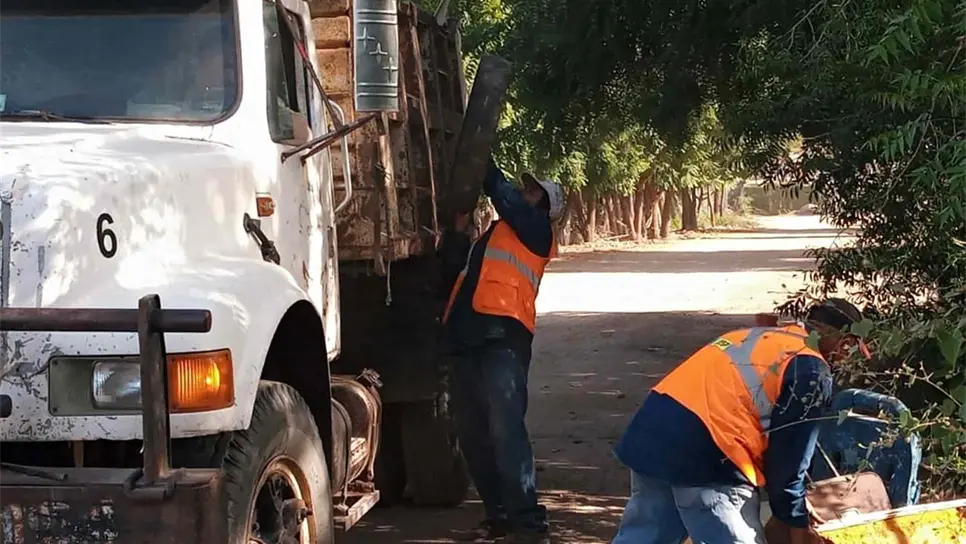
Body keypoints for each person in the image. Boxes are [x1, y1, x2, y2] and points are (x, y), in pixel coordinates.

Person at [610, 298, 869, 544]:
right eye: (851, 350)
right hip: (710, 454)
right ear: (844, 342)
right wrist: (796, 523)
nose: (846, 358)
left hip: (653, 434)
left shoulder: (756, 336)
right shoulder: (810, 370)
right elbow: (788, 464)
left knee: (644, 536)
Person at [439, 158, 565, 543]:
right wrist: (459, 236)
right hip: (465, 337)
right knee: (472, 433)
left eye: (532, 191)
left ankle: (528, 522)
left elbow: (503, 195)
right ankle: (498, 516)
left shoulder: (536, 230)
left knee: (505, 430)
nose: (523, 192)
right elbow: (454, 272)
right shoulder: (493, 235)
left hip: (503, 340)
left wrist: (480, 157)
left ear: (545, 207)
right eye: (525, 187)